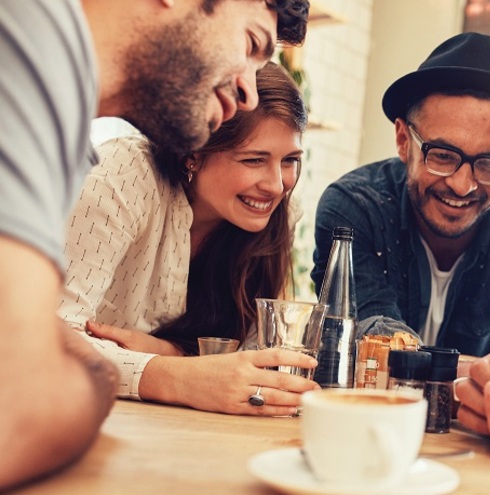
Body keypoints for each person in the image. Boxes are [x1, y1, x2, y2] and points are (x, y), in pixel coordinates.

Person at [0, 0, 309, 489]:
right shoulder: (35, 41)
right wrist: (161, 373)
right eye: (250, 44)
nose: (249, 89)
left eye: (290, 160)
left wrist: (170, 356)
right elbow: (23, 396)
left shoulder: (67, 121)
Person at [311, 32, 490, 459]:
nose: (464, 185)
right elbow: (366, 341)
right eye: (443, 156)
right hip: (364, 444)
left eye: (488, 163)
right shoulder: (355, 209)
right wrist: (484, 378)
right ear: (403, 140)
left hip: (487, 454)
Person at [58, 62, 317, 416]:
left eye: (289, 160)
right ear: (193, 154)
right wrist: (175, 376)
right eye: (254, 160)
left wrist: (170, 353)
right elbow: (47, 337)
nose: (276, 185)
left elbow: (252, 361)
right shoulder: (122, 174)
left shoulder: (273, 216)